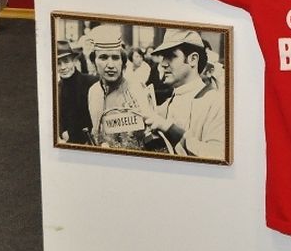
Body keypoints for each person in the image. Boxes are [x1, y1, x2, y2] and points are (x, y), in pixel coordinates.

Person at [144, 29, 225, 159]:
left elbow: (219, 156)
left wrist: (170, 129)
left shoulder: (216, 102)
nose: (163, 64)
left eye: (171, 56)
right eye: (163, 57)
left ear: (193, 59)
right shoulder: (166, 104)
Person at [84, 23, 159, 150]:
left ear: (123, 62)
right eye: (103, 57)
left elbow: (151, 136)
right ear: (94, 62)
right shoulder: (94, 91)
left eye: (115, 58)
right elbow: (95, 131)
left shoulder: (136, 89)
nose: (110, 65)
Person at [55, 40, 95, 144]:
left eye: (66, 61)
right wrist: (61, 132)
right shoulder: (57, 88)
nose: (63, 67)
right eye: (58, 63)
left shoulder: (91, 82)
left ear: (74, 61)